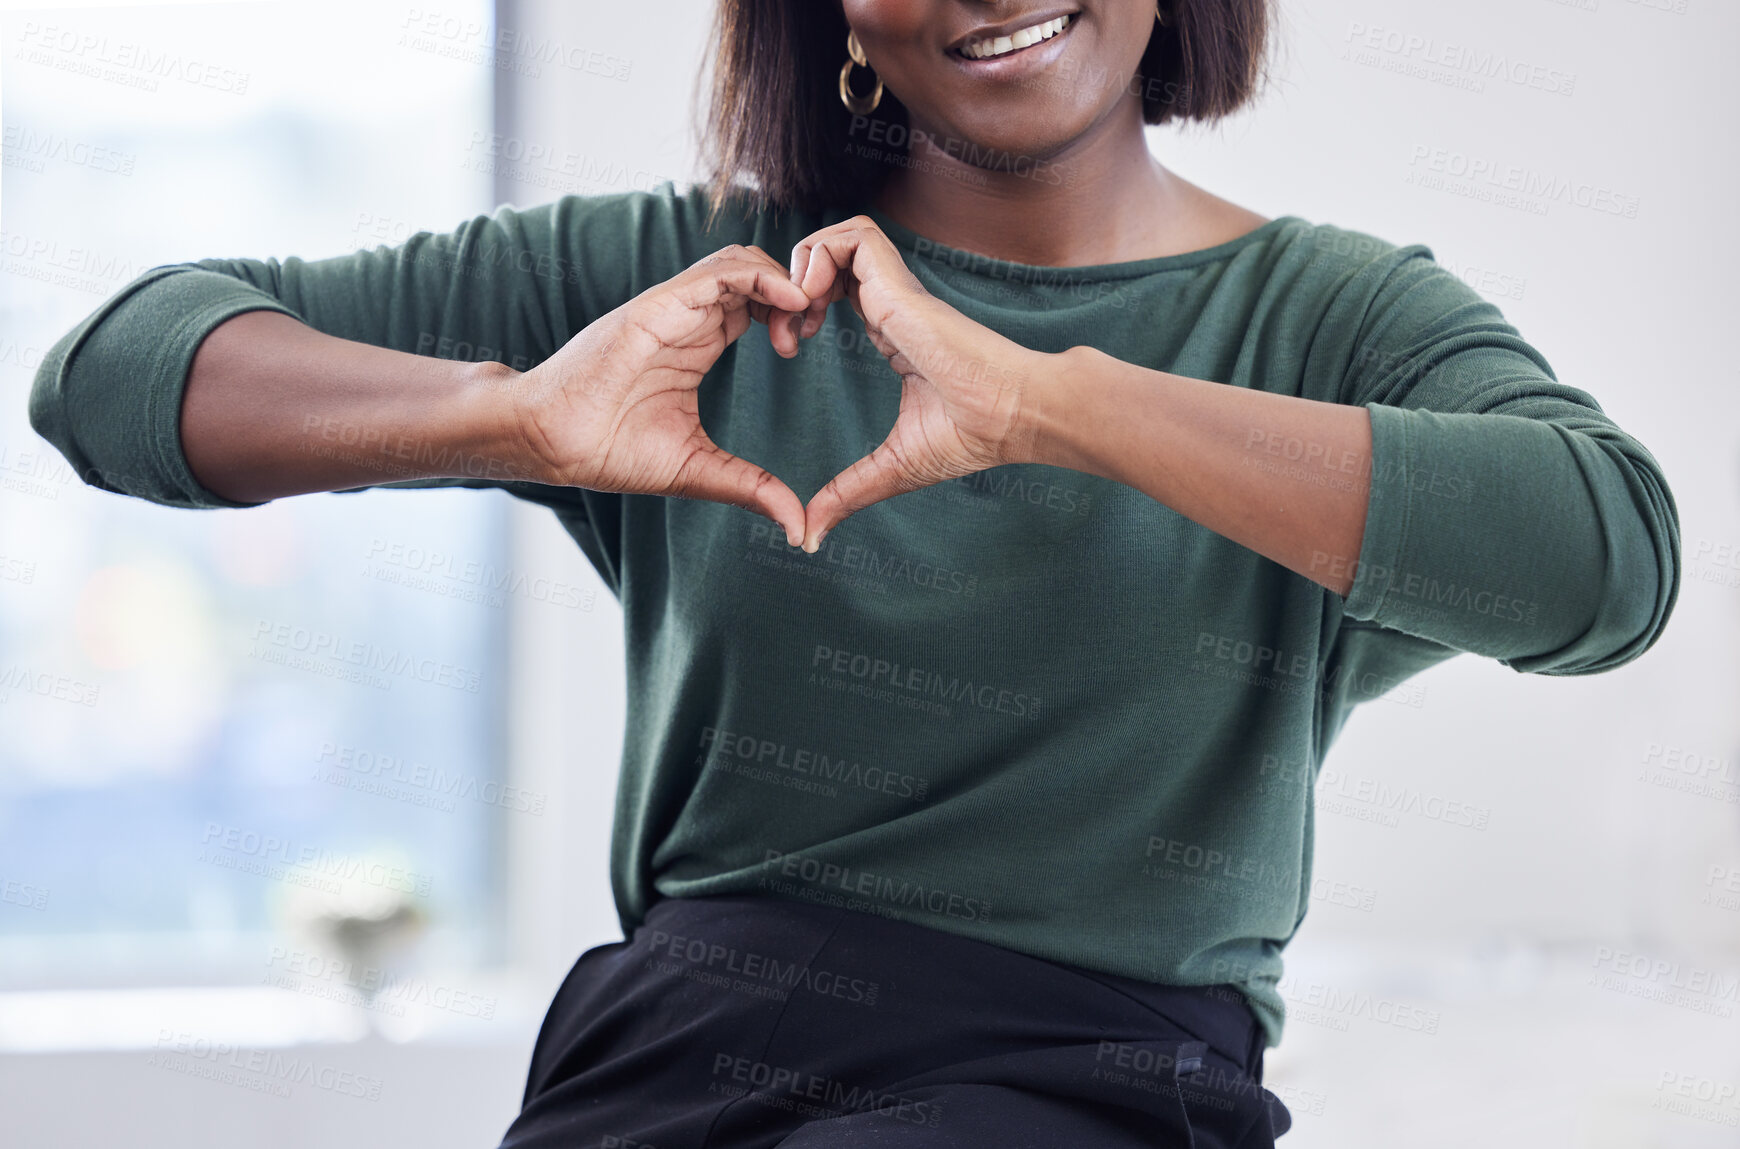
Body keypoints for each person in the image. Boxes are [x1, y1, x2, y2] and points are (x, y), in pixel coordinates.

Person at [28, 1, 1680, 1145]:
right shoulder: (696, 281)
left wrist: (1057, 399)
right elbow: (110, 371)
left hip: (1085, 1082)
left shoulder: (1329, 322)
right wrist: (516, 414)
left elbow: (1607, 558)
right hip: (671, 1057)